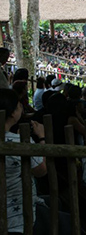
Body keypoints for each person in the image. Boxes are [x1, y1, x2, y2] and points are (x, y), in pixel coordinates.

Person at [0, 88, 50, 233]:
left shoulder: (15, 140)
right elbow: (41, 170)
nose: (21, 106)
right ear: (12, 113)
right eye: (18, 104)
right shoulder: (17, 142)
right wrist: (41, 138)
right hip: (18, 217)